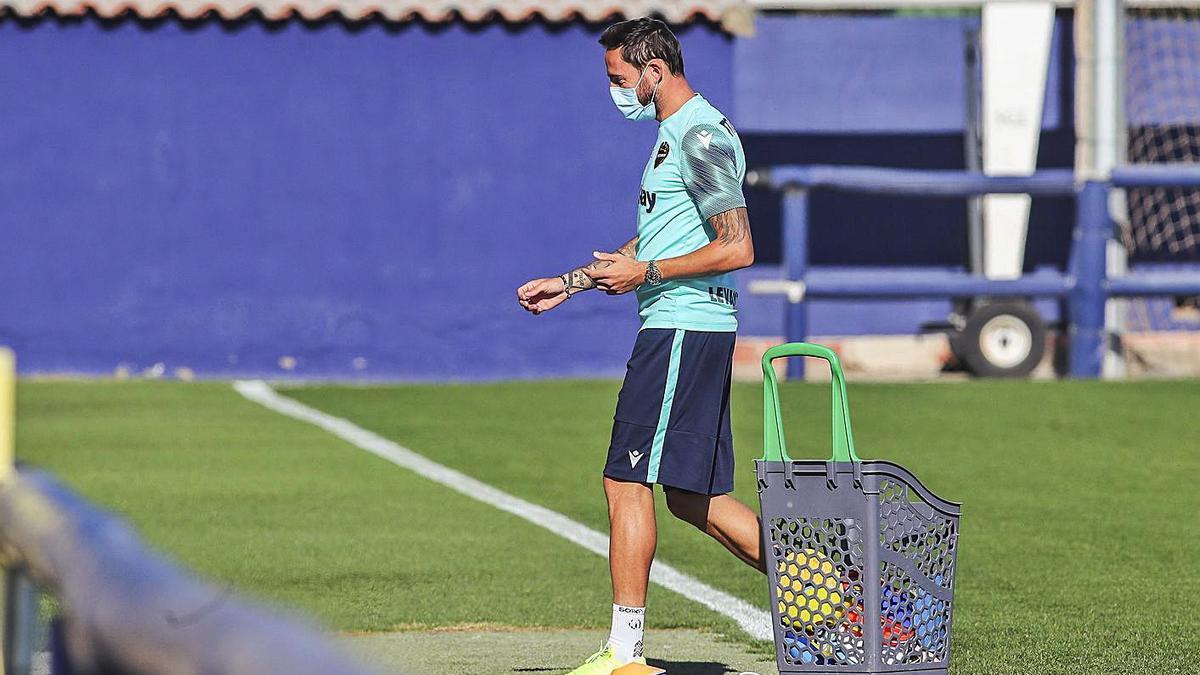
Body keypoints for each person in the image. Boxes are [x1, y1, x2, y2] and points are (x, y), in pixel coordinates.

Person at [516, 17, 765, 674]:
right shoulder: (670, 136)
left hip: (683, 329)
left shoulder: (700, 134)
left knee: (625, 481)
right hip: (682, 327)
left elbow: (737, 246)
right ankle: (846, 598)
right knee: (693, 497)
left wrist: (646, 274)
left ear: (654, 70)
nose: (615, 90)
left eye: (618, 77)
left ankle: (625, 656)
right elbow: (652, 243)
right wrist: (571, 282)